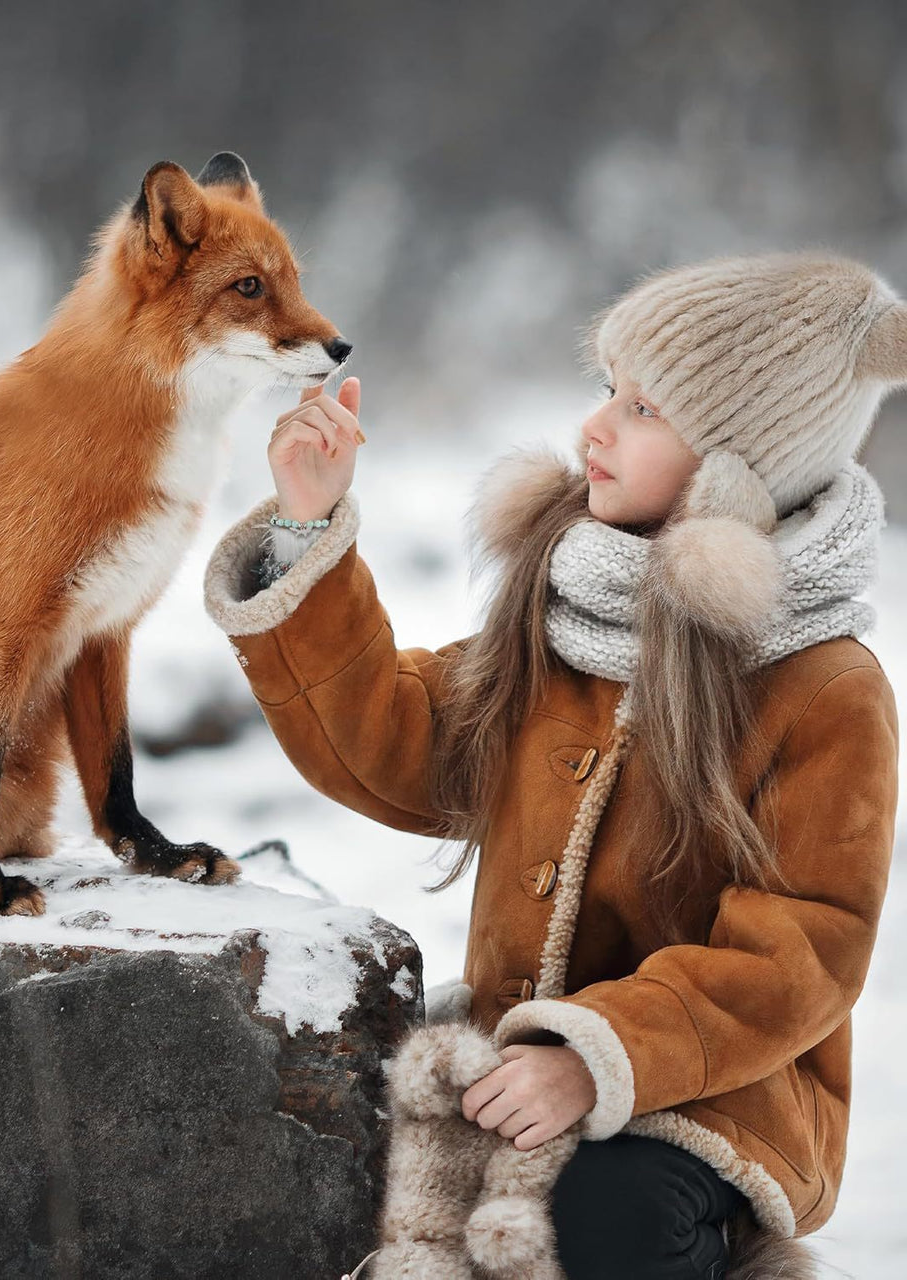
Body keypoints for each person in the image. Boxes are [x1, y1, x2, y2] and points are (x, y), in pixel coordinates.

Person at [203, 251, 901, 1279]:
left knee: (594, 1216)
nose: (595, 427)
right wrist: (311, 525)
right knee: (327, 1160)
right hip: (502, 1067)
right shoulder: (570, 601)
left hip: (711, 1101)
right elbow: (400, 742)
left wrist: (593, 1055)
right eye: (605, 389)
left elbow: (801, 947)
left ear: (733, 467)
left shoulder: (821, 685)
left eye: (645, 408)